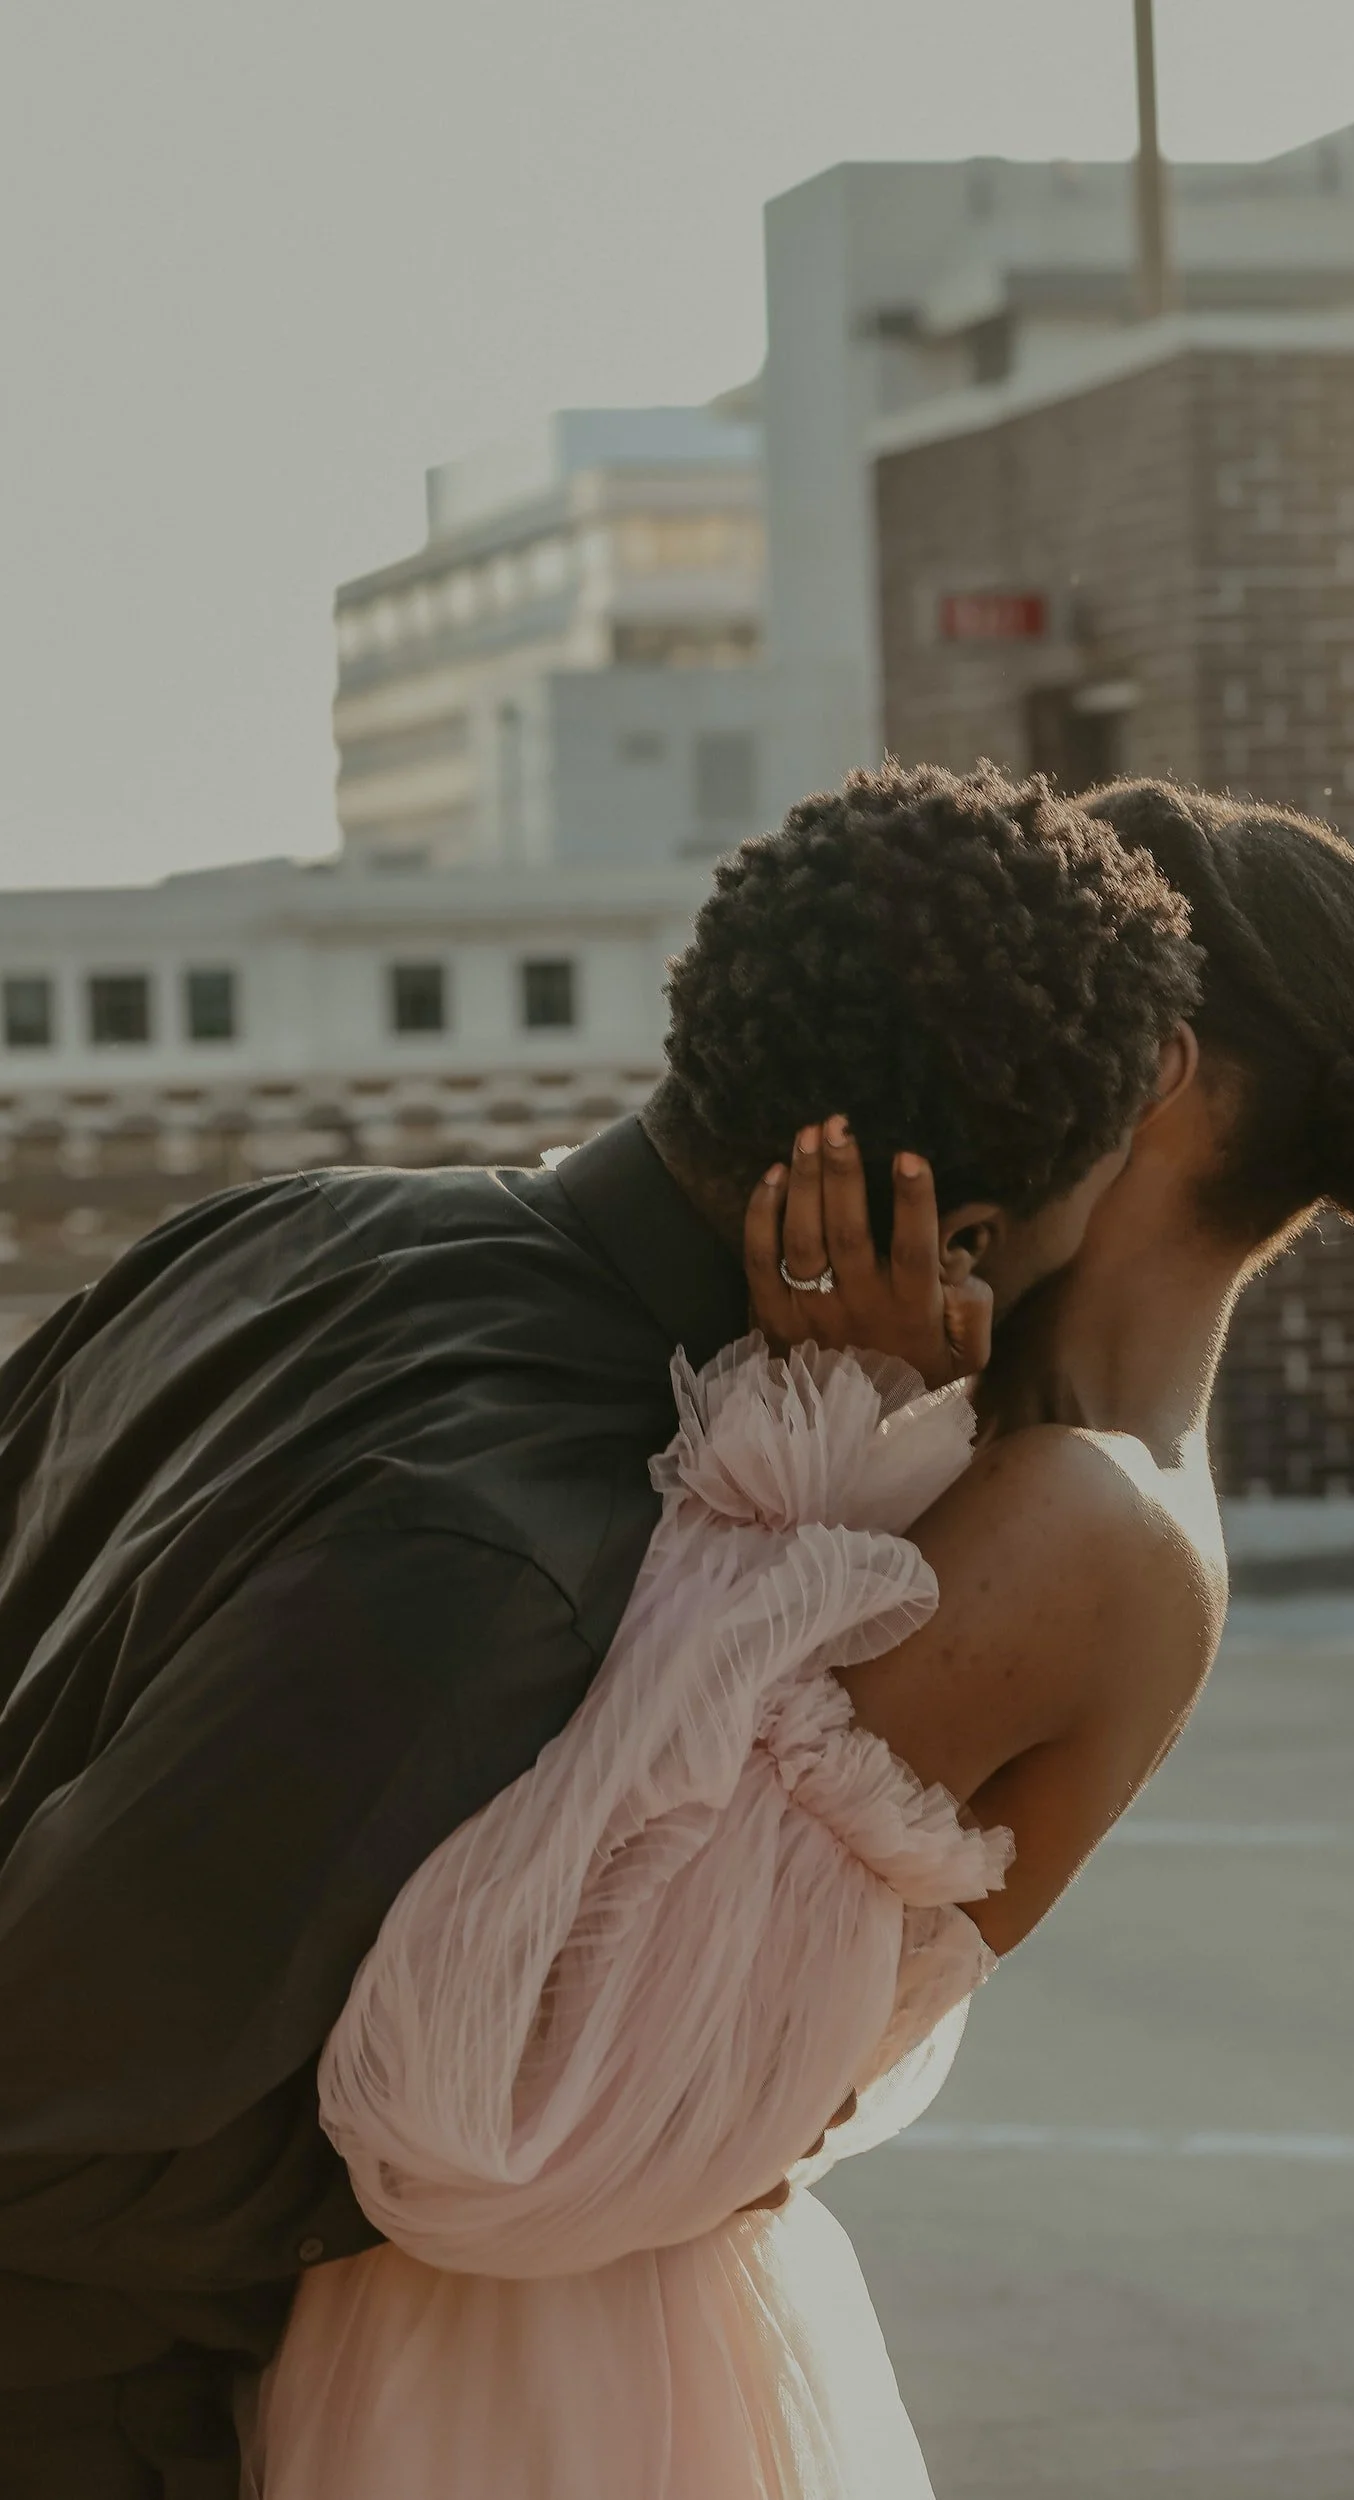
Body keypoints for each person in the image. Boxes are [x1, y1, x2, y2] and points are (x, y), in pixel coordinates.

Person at [247, 781, 1354, 2497]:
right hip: (537, 2322)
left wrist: (827, 1415)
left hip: (534, 2370)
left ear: (1148, 1067)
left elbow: (548, 2007)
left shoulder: (1076, 1520)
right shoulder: (1029, 1431)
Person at [0, 761, 1197, 2498]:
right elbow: (60, 2118)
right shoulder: (512, 1560)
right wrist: (587, 2143)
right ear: (959, 1233)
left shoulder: (282, 1227)